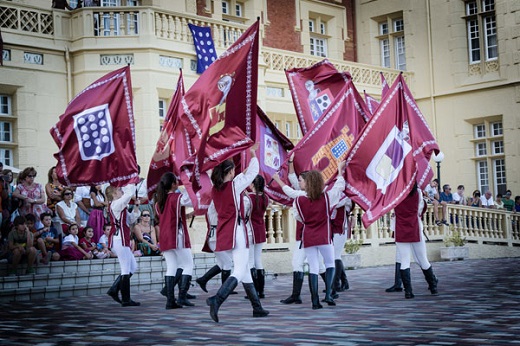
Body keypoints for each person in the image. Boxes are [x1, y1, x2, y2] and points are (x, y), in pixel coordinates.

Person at [206, 143, 269, 323]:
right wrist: (252, 153)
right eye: (233, 171)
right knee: (241, 269)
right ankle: (217, 300)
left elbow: (244, 176)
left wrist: (246, 167)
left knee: (246, 271)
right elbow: (252, 173)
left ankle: (257, 307)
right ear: (231, 172)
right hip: (237, 229)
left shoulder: (216, 189)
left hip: (225, 230)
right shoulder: (234, 187)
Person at [273, 161, 346, 309]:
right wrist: (339, 171)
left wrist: (308, 221)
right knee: (329, 263)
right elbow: (339, 187)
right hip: (324, 235)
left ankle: (315, 301)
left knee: (313, 267)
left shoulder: (299, 200)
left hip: (308, 235)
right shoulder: (326, 197)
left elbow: (298, 217)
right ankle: (329, 295)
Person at [154, 172, 195, 309]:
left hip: (165, 236)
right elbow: (191, 200)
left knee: (171, 267)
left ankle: (170, 301)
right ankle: (182, 297)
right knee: (188, 264)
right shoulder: (176, 197)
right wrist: (188, 184)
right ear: (173, 184)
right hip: (177, 234)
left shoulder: (159, 202)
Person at [394, 184, 438, 299]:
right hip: (415, 227)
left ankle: (408, 291)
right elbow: (420, 209)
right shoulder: (418, 192)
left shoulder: (395, 191)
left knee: (404, 260)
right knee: (423, 258)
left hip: (400, 227)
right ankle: (433, 286)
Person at [105, 184, 141, 307]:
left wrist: (136, 207)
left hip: (122, 238)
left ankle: (114, 289)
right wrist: (130, 183)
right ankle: (126, 299)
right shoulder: (116, 204)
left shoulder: (120, 206)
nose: (121, 191)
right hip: (119, 238)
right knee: (126, 268)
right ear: (114, 194)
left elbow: (130, 219)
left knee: (133, 267)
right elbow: (128, 195)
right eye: (119, 190)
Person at [196, 200, 234, 293]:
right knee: (227, 262)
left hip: (218, 237)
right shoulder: (214, 204)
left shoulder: (215, 203)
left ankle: (203, 279)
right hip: (215, 238)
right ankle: (225, 289)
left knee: (222, 263)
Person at [246, 175, 269, 298]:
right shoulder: (266, 197)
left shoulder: (249, 198)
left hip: (251, 229)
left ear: (253, 184)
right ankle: (261, 291)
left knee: (250, 261)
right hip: (260, 228)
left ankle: (253, 291)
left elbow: (244, 213)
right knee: (258, 260)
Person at [330, 194, 353, 296]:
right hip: (331, 226)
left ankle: (336, 284)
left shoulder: (347, 196)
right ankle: (344, 281)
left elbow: (335, 203)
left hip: (341, 227)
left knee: (336, 255)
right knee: (334, 255)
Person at [45, 166, 65, 234]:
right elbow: (51, 196)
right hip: (52, 209)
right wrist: (61, 195)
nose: (57, 173)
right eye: (55, 172)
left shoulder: (64, 185)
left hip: (63, 209)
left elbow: (68, 196)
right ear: (51, 174)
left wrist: (58, 195)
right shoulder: (48, 185)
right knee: (55, 227)